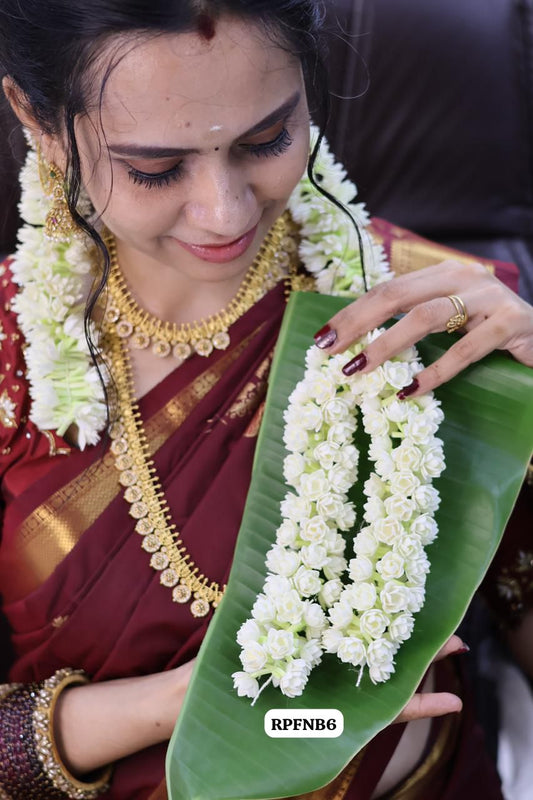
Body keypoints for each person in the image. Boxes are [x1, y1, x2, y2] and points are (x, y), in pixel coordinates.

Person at [0, 2, 532, 799]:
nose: (225, 211)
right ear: (37, 120)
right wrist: (195, 705)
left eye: (266, 140)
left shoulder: (433, 314)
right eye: (154, 168)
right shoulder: (13, 358)